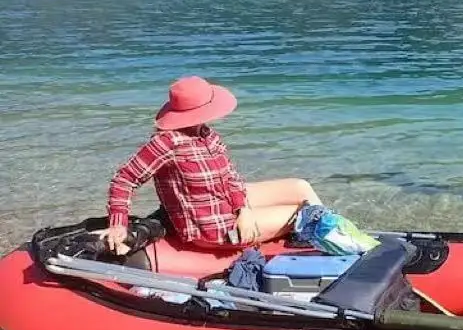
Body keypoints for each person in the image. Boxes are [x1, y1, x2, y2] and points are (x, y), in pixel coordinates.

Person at [104, 75, 322, 254]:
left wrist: (243, 210)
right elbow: (125, 179)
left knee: (300, 188)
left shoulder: (207, 135)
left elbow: (231, 177)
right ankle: (330, 241)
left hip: (229, 204)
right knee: (300, 213)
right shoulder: (167, 142)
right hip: (213, 228)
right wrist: (118, 224)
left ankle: (338, 236)